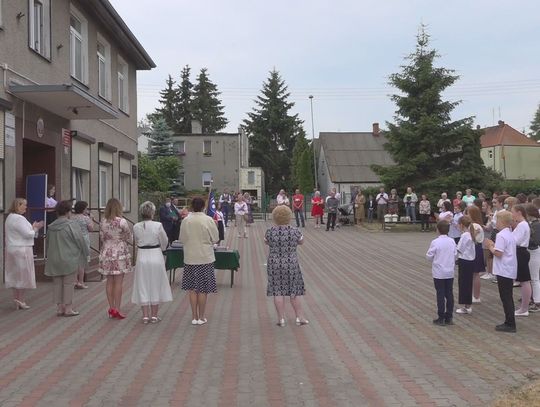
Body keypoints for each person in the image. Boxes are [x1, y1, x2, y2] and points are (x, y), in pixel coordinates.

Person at [265, 205, 308, 327]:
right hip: (291, 263)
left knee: (277, 290)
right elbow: (301, 241)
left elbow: (266, 241)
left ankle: (281, 319)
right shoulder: (295, 231)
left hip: (274, 263)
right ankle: (300, 317)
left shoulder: (270, 231)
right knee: (294, 291)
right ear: (289, 216)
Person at [179, 197, 219, 325]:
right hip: (204, 258)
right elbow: (215, 238)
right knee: (203, 289)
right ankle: (201, 317)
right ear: (203, 207)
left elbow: (182, 239)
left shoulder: (186, 220)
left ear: (191, 206)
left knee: (192, 288)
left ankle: (194, 317)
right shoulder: (208, 220)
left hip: (190, 257)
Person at [44, 200, 89, 317]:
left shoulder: (51, 226)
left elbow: (48, 242)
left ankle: (59, 308)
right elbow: (80, 240)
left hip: (54, 259)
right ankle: (68, 309)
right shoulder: (72, 225)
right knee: (69, 283)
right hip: (69, 258)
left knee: (57, 284)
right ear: (68, 212)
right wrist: (85, 253)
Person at [132, 201, 172, 324]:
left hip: (142, 256)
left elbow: (136, 239)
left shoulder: (136, 226)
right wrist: (164, 249)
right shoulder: (158, 225)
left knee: (142, 283)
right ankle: (154, 316)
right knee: (156, 283)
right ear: (152, 213)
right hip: (155, 254)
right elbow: (164, 240)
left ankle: (145, 316)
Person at [5, 198, 44, 309]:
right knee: (23, 276)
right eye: (24, 205)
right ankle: (21, 300)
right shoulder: (19, 218)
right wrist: (36, 228)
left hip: (12, 248)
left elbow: (21, 232)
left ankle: (17, 299)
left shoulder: (10, 217)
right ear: (18, 205)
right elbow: (28, 234)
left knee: (15, 275)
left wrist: (32, 227)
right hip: (22, 249)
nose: (26, 207)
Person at [99, 198, 133, 319]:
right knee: (118, 282)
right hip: (119, 252)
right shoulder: (122, 221)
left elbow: (102, 237)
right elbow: (129, 236)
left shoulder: (103, 222)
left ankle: (111, 308)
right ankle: (117, 309)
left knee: (109, 281)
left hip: (107, 252)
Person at [485, 210, 517, 333]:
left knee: (506, 297)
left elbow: (498, 253)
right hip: (509, 268)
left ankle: (510, 323)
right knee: (507, 296)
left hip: (504, 269)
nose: (495, 223)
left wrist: (490, 246)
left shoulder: (501, 235)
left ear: (502, 222)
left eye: (497, 220)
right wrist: (494, 245)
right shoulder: (509, 233)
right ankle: (509, 321)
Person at [426, 221, 457, 325]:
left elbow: (429, 255)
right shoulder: (452, 241)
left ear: (438, 230)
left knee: (440, 293)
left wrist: (434, 259)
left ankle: (441, 317)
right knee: (449, 293)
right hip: (449, 271)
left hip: (439, 272)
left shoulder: (435, 242)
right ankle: (449, 316)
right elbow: (455, 254)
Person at [512, 204, 531, 317]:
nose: (512, 214)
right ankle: (524, 307)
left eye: (513, 212)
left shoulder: (522, 225)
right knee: (523, 280)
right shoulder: (521, 225)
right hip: (520, 252)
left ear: (519, 212)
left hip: (521, 252)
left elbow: (516, 240)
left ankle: (524, 308)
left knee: (524, 280)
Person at [455, 216, 476, 315]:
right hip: (470, 261)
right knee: (467, 283)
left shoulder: (465, 235)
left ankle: (465, 306)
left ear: (461, 225)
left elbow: (459, 249)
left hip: (464, 261)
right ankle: (467, 305)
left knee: (464, 284)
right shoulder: (470, 234)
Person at [72, 201, 93, 289]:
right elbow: (91, 228)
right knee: (82, 261)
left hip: (73, 239)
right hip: (84, 239)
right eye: (86, 208)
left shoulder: (72, 218)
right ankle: (81, 281)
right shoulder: (86, 218)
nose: (87, 210)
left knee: (75, 260)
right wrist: (91, 218)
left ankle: (75, 281)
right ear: (83, 209)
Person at [526, 204, 540, 312]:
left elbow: (535, 241)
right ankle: (533, 298)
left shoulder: (536, 225)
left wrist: (525, 237)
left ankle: (537, 302)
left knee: (534, 278)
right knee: (532, 278)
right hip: (532, 251)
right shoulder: (533, 224)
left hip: (534, 252)